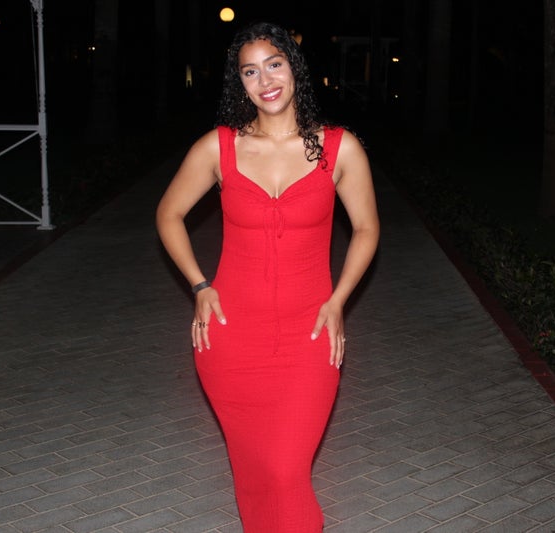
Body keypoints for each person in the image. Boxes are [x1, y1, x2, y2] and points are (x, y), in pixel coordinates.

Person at [156, 21, 379, 532]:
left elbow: (367, 229)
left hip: (310, 335)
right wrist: (199, 286)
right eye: (250, 71)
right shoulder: (220, 147)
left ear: (294, 69)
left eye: (274, 65)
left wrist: (339, 300)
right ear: (239, 83)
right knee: (256, 472)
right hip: (231, 338)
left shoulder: (339, 148)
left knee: (284, 470)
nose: (265, 80)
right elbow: (168, 214)